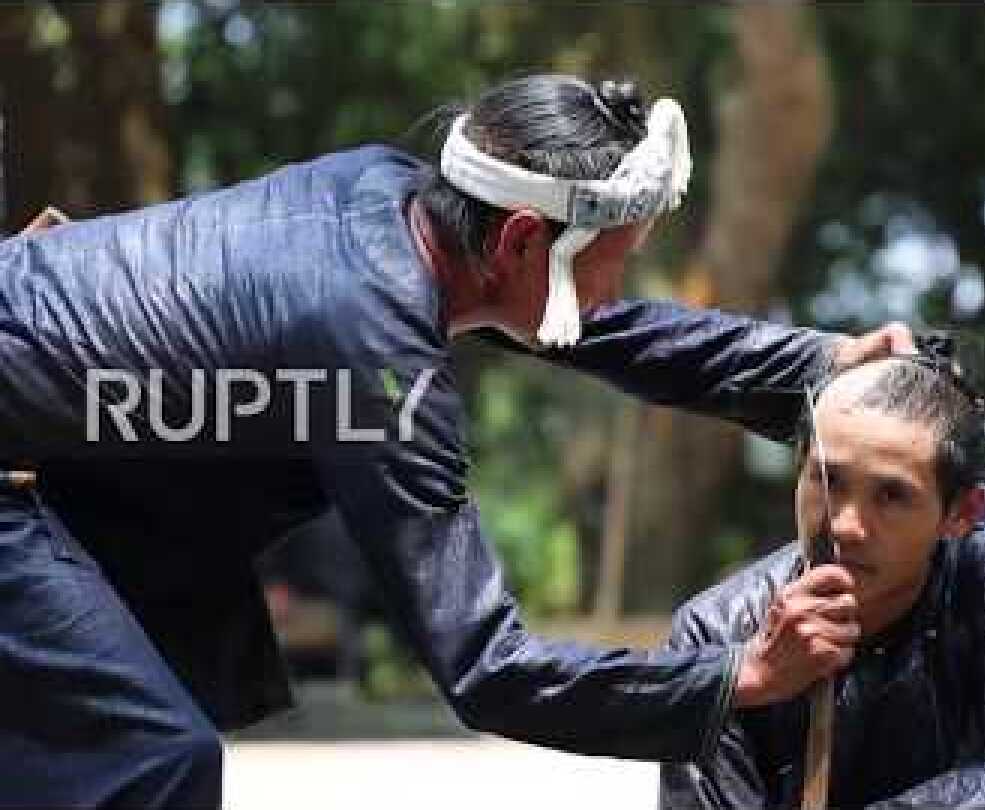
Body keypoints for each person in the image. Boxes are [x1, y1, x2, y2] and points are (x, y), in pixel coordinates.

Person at [0, 74, 907, 806]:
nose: (612, 288)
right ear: (521, 241)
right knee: (153, 763)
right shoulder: (374, 354)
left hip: (65, 446)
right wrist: (737, 675)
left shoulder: (392, 198)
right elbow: (488, 668)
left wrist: (817, 363)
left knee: (138, 707)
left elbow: (602, 329)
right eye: (613, 261)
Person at [660, 349, 985, 809]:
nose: (846, 525)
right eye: (829, 481)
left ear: (962, 512)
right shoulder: (718, 633)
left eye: (891, 495)